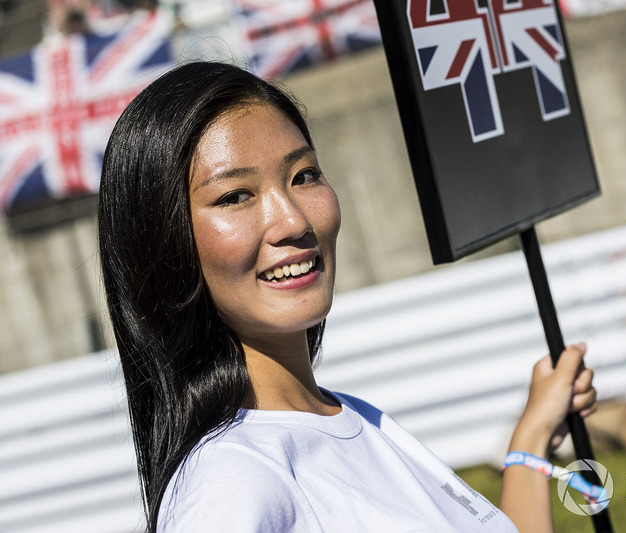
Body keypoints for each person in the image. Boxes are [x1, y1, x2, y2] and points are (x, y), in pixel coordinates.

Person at [98, 61, 598, 533]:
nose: (293, 220)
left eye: (304, 175)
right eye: (235, 196)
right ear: (162, 244)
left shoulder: (348, 416)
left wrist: (531, 439)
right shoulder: (232, 484)